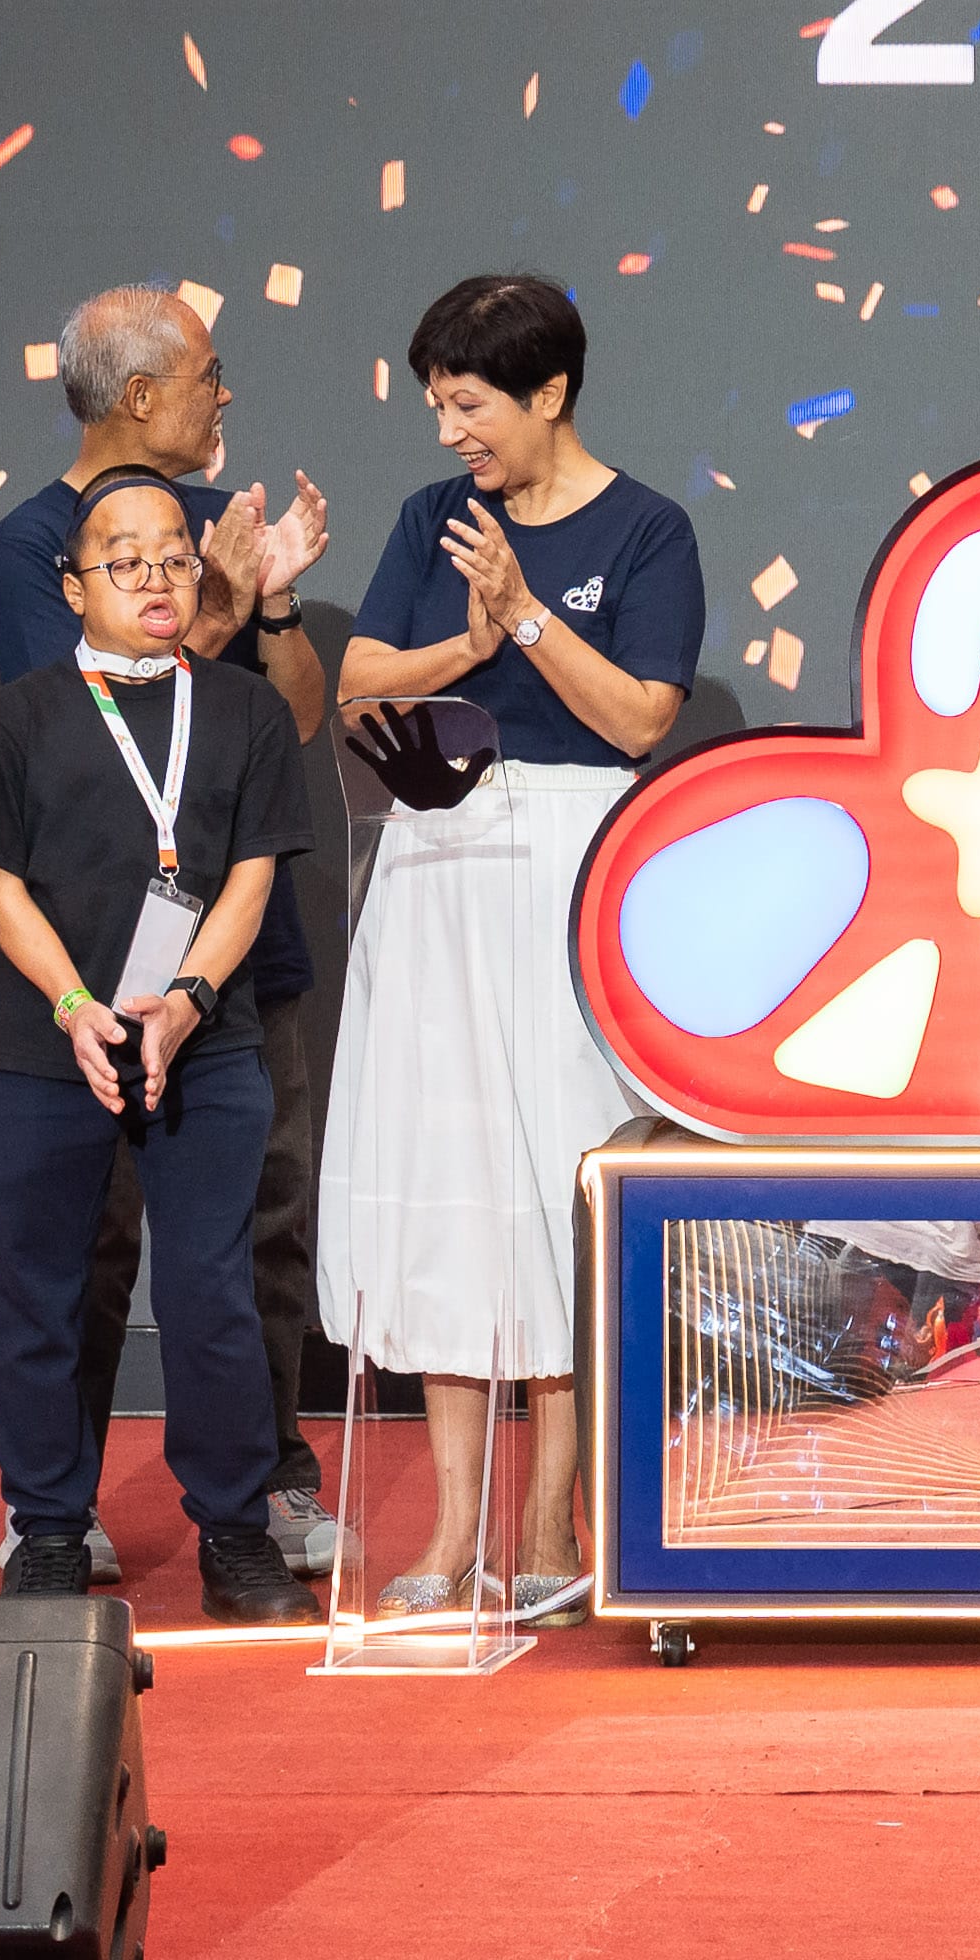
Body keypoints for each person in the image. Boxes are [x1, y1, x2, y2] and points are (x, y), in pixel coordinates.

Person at [325, 274, 705, 1625]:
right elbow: (361, 678)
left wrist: (531, 622)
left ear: (549, 393)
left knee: (556, 1180)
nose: (448, 432)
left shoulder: (648, 529)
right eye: (437, 402)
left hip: (572, 869)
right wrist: (464, 639)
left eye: (469, 402)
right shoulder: (435, 521)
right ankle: (447, 1536)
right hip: (439, 858)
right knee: (446, 1178)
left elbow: (642, 719)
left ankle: (554, 1524)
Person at [0, 284, 344, 1572]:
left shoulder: (220, 537)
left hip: (227, 985)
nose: (224, 396)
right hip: (68, 1004)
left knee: (240, 1259)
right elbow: (98, 699)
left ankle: (253, 1499)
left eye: (168, 564)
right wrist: (83, 1005)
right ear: (139, 396)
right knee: (67, 1267)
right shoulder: (37, 546)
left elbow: (281, 717)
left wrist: (273, 603)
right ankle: (52, 1521)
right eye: (206, 374)